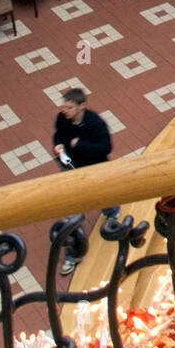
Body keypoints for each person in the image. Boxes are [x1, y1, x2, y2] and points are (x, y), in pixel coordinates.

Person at [52, 87, 116, 274]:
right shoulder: (61, 118)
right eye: (63, 106)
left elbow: (106, 147)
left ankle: (112, 212)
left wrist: (80, 145)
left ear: (82, 106)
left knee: (103, 198)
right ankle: (73, 255)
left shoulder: (95, 124)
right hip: (72, 172)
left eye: (69, 107)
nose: (65, 111)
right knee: (73, 210)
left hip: (95, 171)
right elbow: (58, 134)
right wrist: (58, 145)